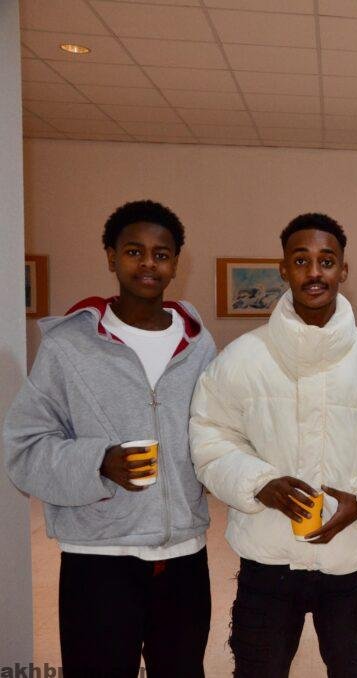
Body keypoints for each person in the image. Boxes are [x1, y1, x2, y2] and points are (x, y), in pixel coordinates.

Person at [189, 213, 357, 678]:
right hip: (267, 562)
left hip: (349, 562)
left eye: (326, 261)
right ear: (284, 269)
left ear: (343, 270)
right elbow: (210, 436)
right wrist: (258, 483)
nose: (314, 273)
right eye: (301, 261)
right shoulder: (241, 359)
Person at [4, 200, 216, 678]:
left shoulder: (199, 344)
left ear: (176, 264)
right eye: (134, 251)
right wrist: (97, 461)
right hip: (98, 558)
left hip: (185, 554)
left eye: (161, 254)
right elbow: (24, 446)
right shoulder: (68, 346)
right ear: (111, 257)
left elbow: (218, 428)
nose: (148, 264)